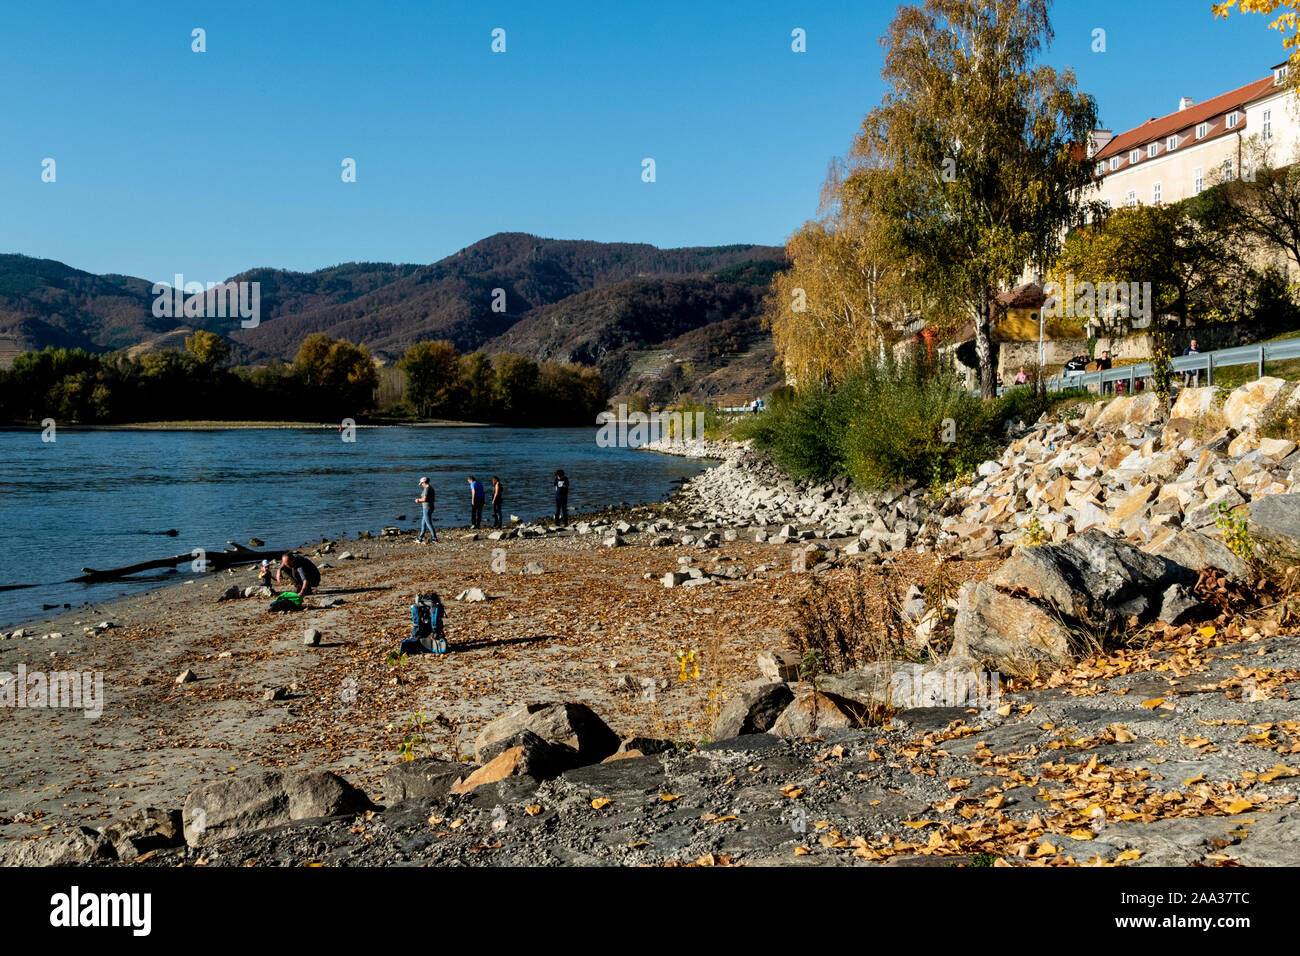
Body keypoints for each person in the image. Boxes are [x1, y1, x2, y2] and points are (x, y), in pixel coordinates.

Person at [415, 476, 438, 543]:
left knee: (428, 524)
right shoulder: (431, 488)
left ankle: (434, 539)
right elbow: (433, 499)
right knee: (423, 523)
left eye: (421, 483)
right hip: (430, 507)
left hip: (427, 508)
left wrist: (418, 500)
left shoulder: (427, 489)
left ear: (424, 482)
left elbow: (424, 499)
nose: (421, 485)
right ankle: (420, 538)